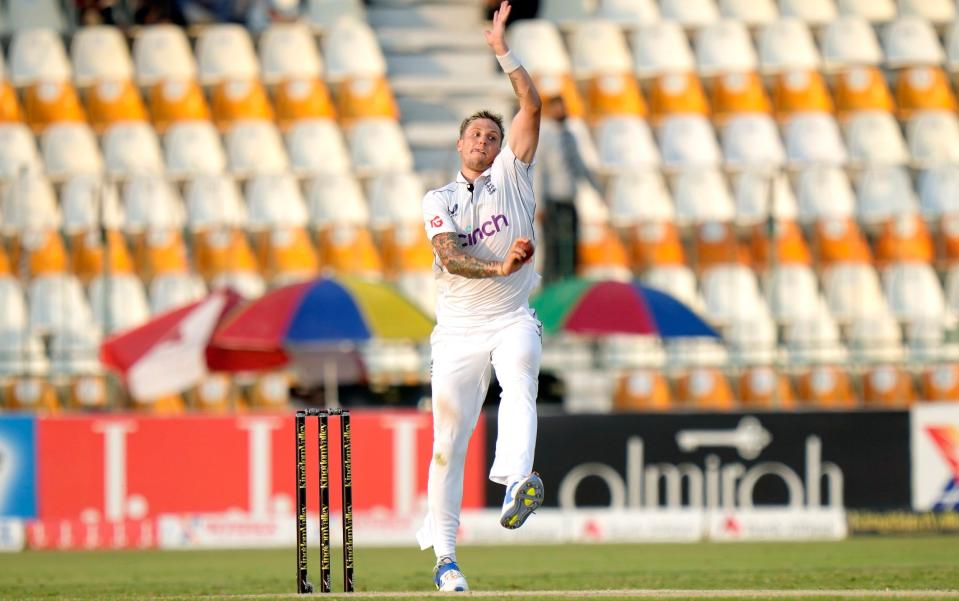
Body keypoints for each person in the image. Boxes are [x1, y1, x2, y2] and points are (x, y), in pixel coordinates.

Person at [416, 1, 544, 593]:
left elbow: (532, 105)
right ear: (461, 143)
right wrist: (500, 263)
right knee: (448, 443)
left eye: (494, 135)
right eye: (476, 133)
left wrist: (503, 51)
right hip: (458, 333)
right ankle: (445, 560)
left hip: (512, 316)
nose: (485, 140)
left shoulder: (513, 175)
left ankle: (517, 480)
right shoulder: (438, 199)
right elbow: (449, 258)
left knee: (521, 366)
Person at [536, 95, 601, 283]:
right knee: (553, 249)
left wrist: (597, 190)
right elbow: (540, 172)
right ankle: (551, 287)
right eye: (557, 108)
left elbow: (579, 166)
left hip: (569, 199)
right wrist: (539, 205)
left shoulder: (570, 136)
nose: (561, 112)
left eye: (562, 107)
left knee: (571, 248)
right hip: (552, 200)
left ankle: (569, 286)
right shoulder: (545, 137)